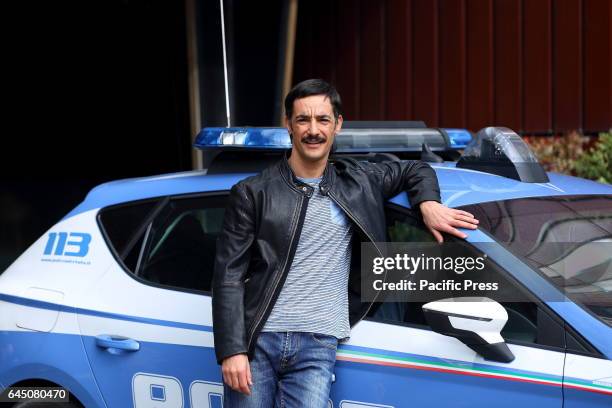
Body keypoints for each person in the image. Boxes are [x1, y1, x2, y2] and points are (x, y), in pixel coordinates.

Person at [212, 79, 479, 407]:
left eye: (322, 120)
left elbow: (416, 169)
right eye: (303, 120)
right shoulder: (254, 192)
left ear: (338, 124)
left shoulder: (359, 182)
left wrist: (428, 204)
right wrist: (232, 350)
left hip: (317, 346)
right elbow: (228, 276)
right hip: (257, 344)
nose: (313, 130)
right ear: (288, 126)